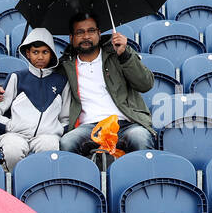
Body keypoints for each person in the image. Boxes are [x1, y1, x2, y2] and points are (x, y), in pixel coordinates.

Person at [55, 12, 154, 159]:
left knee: (140, 138)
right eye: (80, 32)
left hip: (125, 123)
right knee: (67, 142)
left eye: (91, 31)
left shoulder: (118, 53)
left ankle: (143, 181)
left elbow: (146, 84)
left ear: (99, 34)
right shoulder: (65, 66)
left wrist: (125, 55)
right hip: (89, 127)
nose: (86, 36)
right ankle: (80, 182)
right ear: (71, 38)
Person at [0, 28, 66, 169]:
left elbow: (66, 119)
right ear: (28, 54)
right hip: (16, 135)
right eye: (35, 52)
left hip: (47, 136)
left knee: (50, 147)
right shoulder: (17, 77)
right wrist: (11, 126)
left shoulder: (61, 82)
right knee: (12, 150)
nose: (40, 57)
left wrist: (55, 129)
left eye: (45, 52)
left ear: (52, 54)